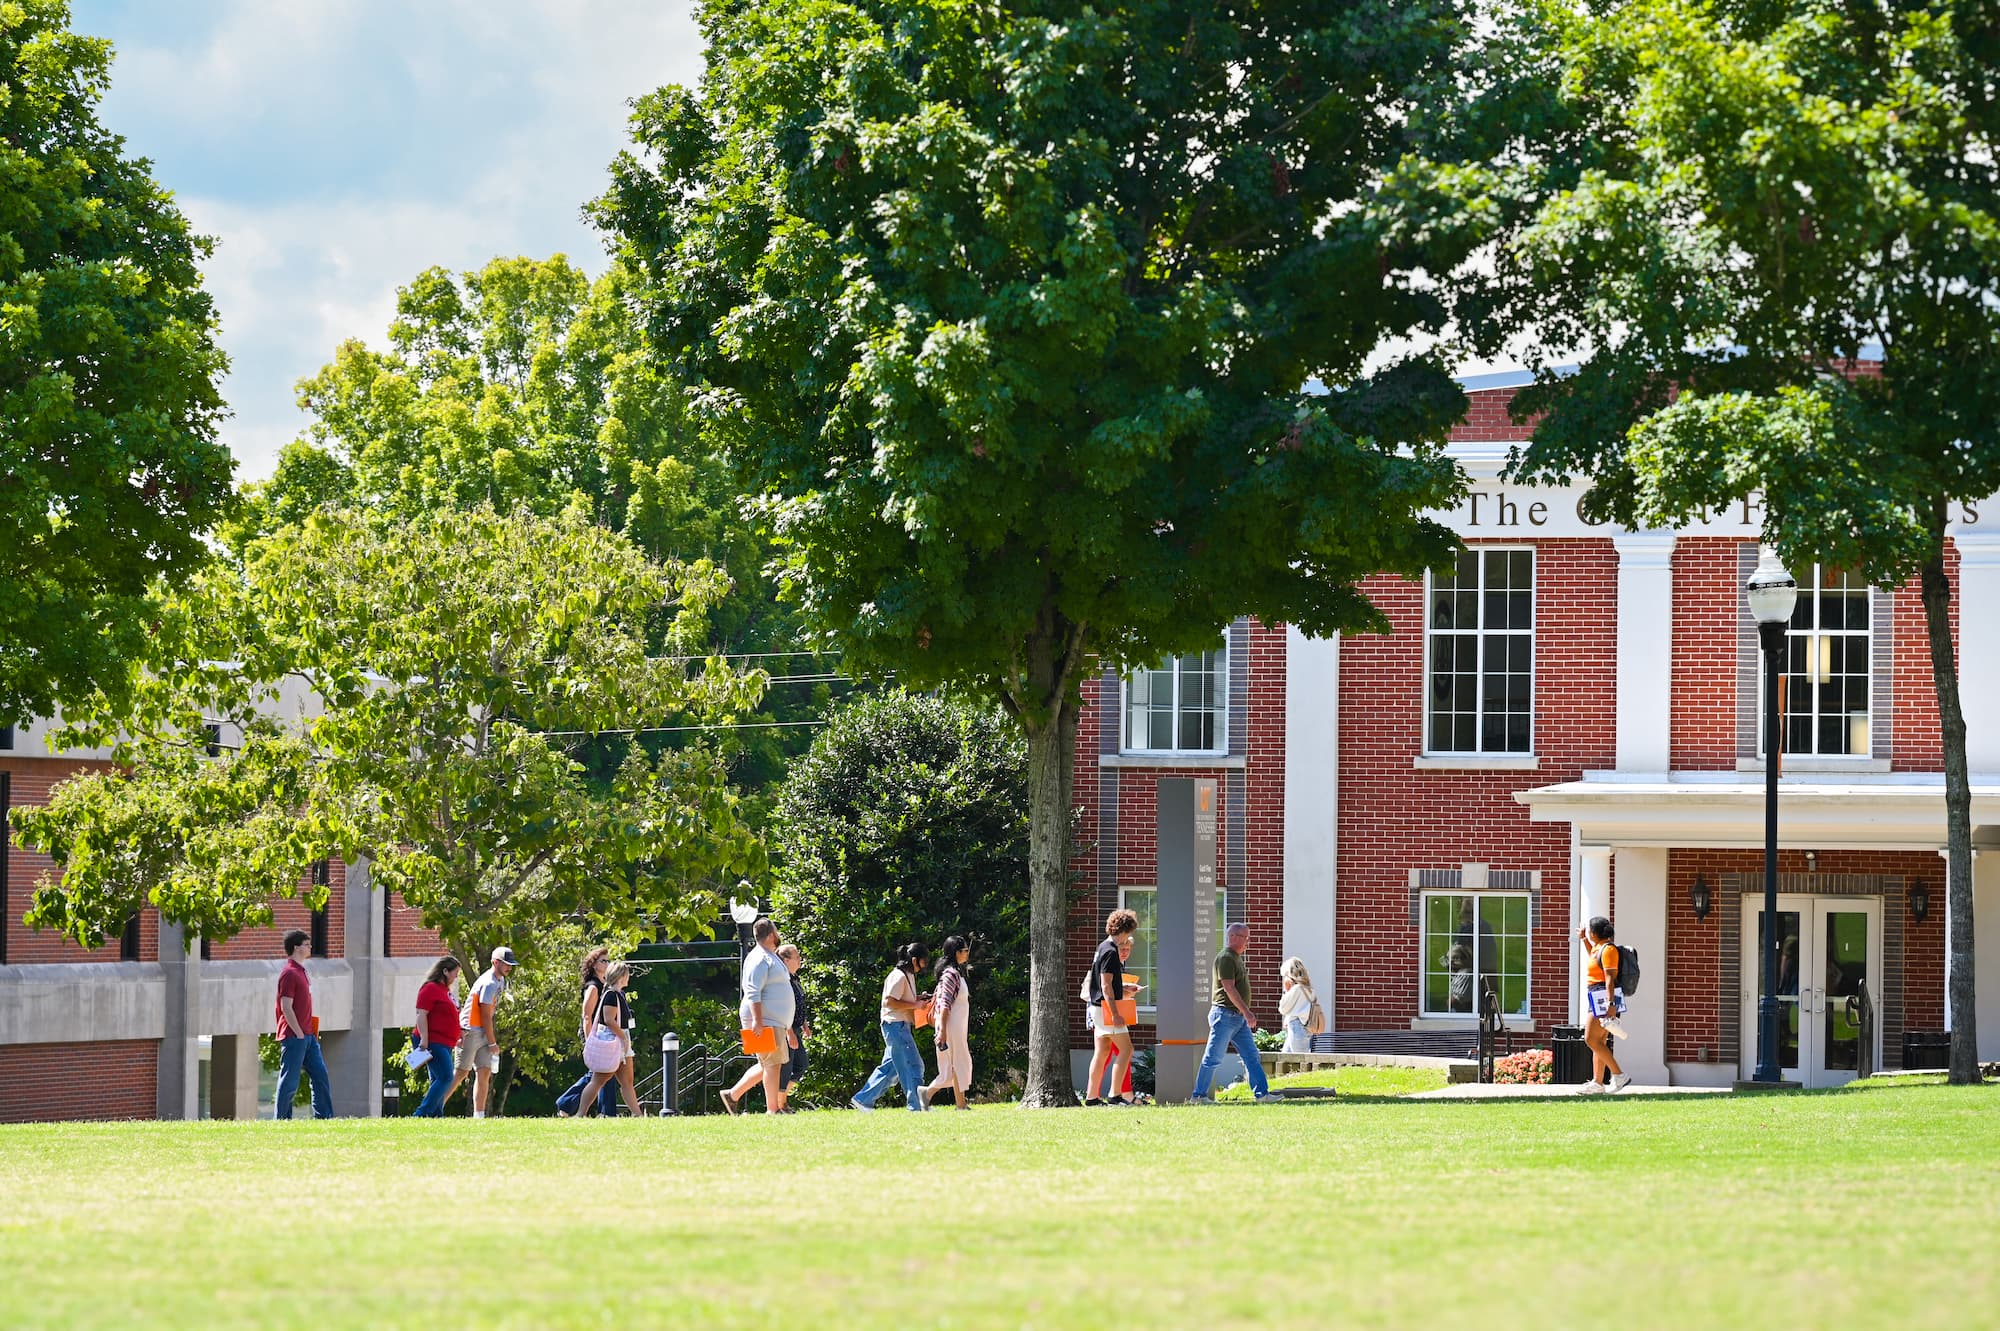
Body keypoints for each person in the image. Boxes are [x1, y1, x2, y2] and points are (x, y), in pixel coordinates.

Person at [1192, 923, 1279, 1104]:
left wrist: (1243, 1014)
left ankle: (1262, 1095)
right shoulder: (1226, 958)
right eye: (1246, 938)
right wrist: (1247, 1012)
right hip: (1225, 1015)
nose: (1248, 942)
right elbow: (1229, 988)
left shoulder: (1235, 958)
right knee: (1213, 1057)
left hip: (1236, 1018)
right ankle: (1198, 1096)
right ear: (1234, 937)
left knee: (1251, 1056)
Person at [724, 918, 795, 1116]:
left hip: (772, 1020)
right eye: (777, 931)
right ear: (772, 935)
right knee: (772, 1064)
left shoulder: (768, 956)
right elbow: (753, 991)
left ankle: (732, 1095)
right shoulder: (759, 958)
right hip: (764, 1020)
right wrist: (758, 1021)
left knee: (767, 1064)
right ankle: (773, 1110)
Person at [851, 943, 931, 1112]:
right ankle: (917, 1107)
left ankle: (863, 1100)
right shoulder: (899, 976)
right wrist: (917, 1004)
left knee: (891, 1068)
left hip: (898, 1025)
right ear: (914, 960)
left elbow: (901, 998)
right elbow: (889, 1001)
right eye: (923, 961)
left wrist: (919, 998)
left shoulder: (907, 975)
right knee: (914, 1065)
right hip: (896, 1025)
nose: (924, 965)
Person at [447, 945, 517, 1119]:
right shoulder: (489, 983)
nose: (509, 967)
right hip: (470, 1030)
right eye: (506, 963)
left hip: (483, 1031)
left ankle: (479, 1116)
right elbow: (485, 1015)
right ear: (495, 962)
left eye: (511, 964)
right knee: (461, 1072)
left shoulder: (500, 980)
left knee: (484, 1071)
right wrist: (492, 1042)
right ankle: (433, 1107)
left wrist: (489, 1038)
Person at [273, 928, 334, 1119]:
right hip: (295, 1036)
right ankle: (282, 1120)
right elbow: (286, 1006)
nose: (310, 947)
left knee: (320, 1076)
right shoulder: (289, 973)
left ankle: (325, 1117)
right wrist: (298, 1032)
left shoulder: (302, 971)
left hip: (308, 1036)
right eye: (307, 944)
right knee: (290, 1081)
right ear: (296, 947)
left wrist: (307, 1033)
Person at [555, 947, 620, 1119]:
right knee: (602, 1070)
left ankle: (603, 1111)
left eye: (608, 960)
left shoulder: (605, 984)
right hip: (593, 1034)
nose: (607, 963)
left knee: (604, 1071)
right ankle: (569, 1104)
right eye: (603, 961)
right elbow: (586, 1016)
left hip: (602, 1033)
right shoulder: (593, 986)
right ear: (594, 965)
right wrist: (590, 1040)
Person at [1085, 910, 1141, 1107]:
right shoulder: (1110, 951)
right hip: (1107, 1008)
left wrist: (1123, 988)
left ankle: (1092, 1098)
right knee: (1126, 1049)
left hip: (1096, 1007)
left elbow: (1108, 983)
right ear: (1125, 930)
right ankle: (1115, 1095)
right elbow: (1106, 985)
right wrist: (1116, 1014)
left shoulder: (1102, 947)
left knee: (1101, 1052)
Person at [575, 962, 644, 1117]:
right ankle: (580, 1113)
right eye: (627, 974)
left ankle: (638, 1115)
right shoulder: (611, 995)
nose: (629, 977)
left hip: (622, 1040)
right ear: (621, 976)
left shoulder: (620, 994)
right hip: (614, 1041)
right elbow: (609, 1019)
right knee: (598, 1080)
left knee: (627, 1081)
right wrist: (623, 1038)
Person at [1577, 916, 1631, 1094]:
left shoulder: (1608, 949)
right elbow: (1594, 956)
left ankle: (1619, 1075)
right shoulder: (1599, 948)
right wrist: (1584, 940)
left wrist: (1610, 1005)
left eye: (1589, 931)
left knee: (1590, 1039)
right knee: (1599, 1041)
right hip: (1596, 994)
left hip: (1603, 996)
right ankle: (1597, 1083)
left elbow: (1610, 979)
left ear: (1595, 932)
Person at [923, 935, 974, 1110]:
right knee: (951, 1067)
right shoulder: (951, 974)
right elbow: (944, 1004)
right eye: (965, 950)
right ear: (956, 952)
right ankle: (927, 1093)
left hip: (955, 1028)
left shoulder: (954, 973)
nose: (967, 953)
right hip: (950, 1027)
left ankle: (961, 1104)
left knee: (957, 1064)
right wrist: (943, 1030)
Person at [411, 955, 463, 1117]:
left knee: (438, 1079)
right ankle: (421, 1113)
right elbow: (421, 1014)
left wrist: (459, 1034)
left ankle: (436, 1115)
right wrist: (424, 1040)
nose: (456, 977)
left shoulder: (446, 992)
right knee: (446, 1077)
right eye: (455, 973)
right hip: (433, 1041)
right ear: (445, 971)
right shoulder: (430, 988)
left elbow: (452, 1015)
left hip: (446, 1042)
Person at [778, 943, 811, 1106]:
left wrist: (805, 1024)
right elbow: (784, 1008)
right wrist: (789, 1031)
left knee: (801, 1066)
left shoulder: (795, 978)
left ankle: (781, 1101)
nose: (800, 960)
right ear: (785, 960)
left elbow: (798, 1005)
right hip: (786, 1030)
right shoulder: (783, 980)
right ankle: (780, 1103)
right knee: (785, 1069)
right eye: (796, 957)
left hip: (796, 1028)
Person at [1277, 956, 1318, 1054]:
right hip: (1306, 1026)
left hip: (1297, 1026)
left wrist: (1286, 991)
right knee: (1285, 1059)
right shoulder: (1309, 989)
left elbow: (1282, 1008)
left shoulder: (1296, 989)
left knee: (1300, 1061)